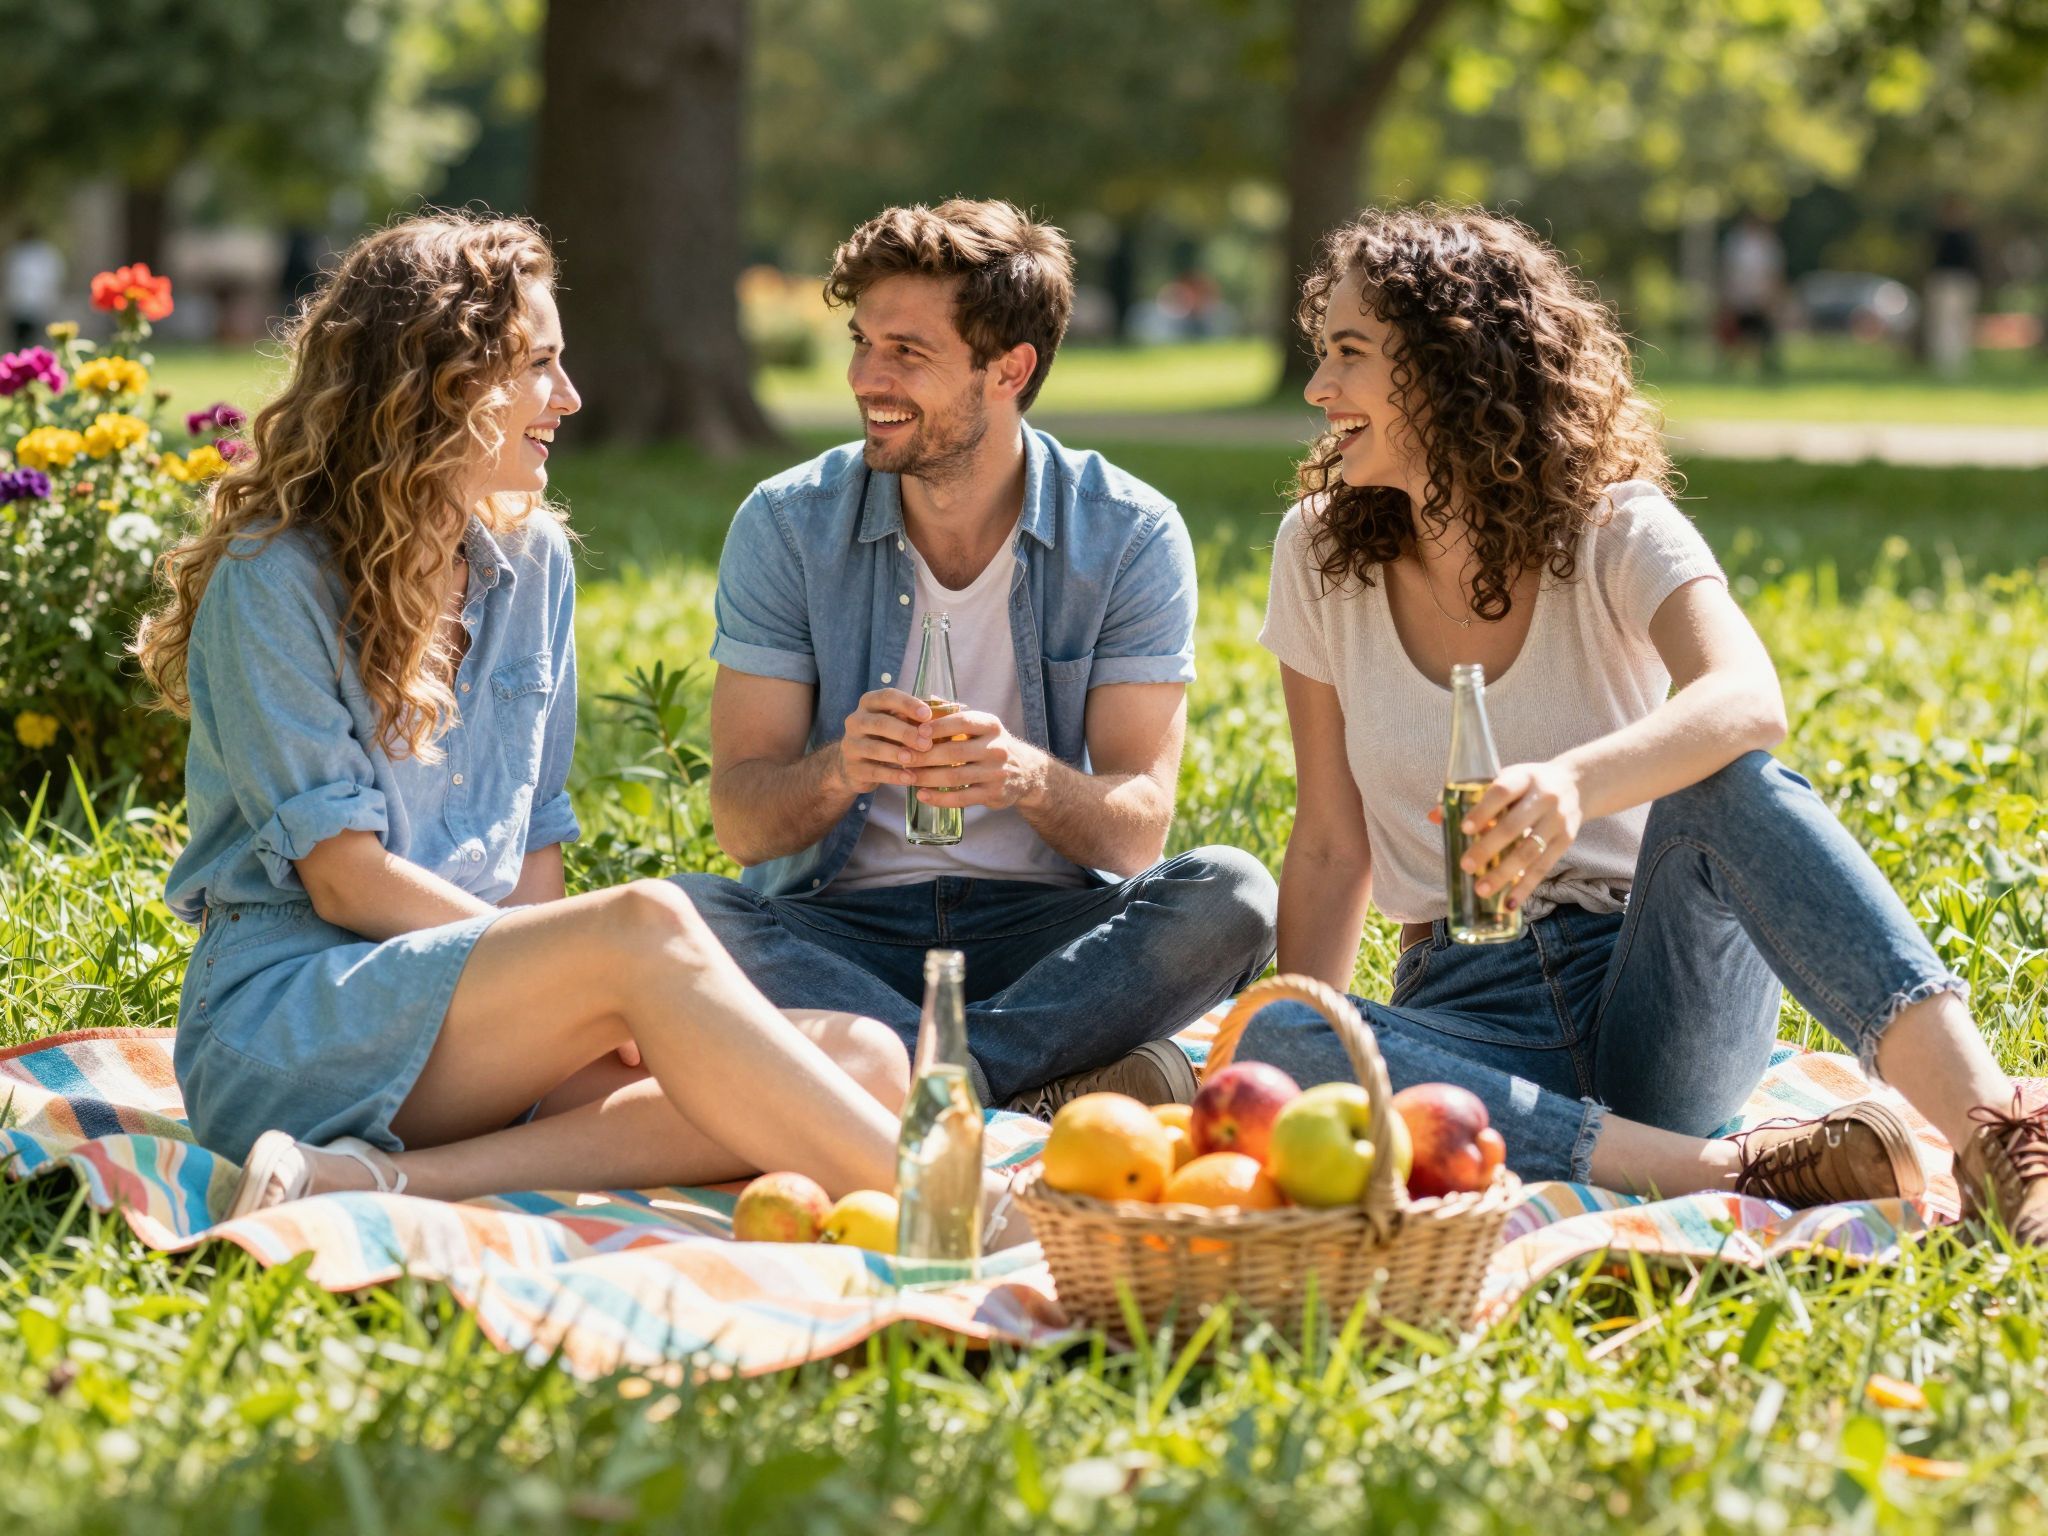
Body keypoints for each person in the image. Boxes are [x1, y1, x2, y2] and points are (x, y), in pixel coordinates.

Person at [136, 211, 1020, 1234]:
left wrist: (582, 995)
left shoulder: (530, 566)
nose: (570, 398)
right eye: (540, 366)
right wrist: (592, 972)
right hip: (293, 1025)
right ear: (444, 381)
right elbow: (344, 877)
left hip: (471, 1026)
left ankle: (378, 1181)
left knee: (862, 1058)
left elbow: (534, 841)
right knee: (642, 927)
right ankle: (968, 1212)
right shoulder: (274, 577)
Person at [1232, 205, 2046, 1239]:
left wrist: (1576, 784)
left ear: (1447, 366)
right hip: (1462, 1004)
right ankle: (1730, 1170)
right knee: (1273, 1041)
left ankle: (1993, 1132)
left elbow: (1747, 697)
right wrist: (1302, 1051)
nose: (1317, 390)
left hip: (1654, 987)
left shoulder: (1611, 524)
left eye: (1347, 354)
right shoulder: (1316, 555)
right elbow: (1328, 843)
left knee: (1726, 775)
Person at [676, 199, 1278, 1120]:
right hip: (836, 933)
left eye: (906, 353)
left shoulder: (1127, 532)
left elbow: (1137, 831)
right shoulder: (788, 523)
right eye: (861, 341)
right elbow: (743, 823)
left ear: (1010, 369)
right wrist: (842, 767)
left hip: (1046, 938)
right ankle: (1029, 1080)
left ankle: (917, 1084)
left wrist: (1025, 777)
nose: (865, 378)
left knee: (1234, 893)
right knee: (676, 920)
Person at [1719, 210, 1784, 377]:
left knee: (1762, 333)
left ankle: (1766, 364)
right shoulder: (1736, 243)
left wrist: (1770, 294)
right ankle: (1731, 365)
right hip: (1740, 296)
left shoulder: (1767, 243)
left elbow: (1773, 271)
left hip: (1760, 295)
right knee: (1738, 333)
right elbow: (1729, 269)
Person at [1925, 194, 1984, 379]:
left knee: (1959, 324)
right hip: (1945, 282)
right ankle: (1945, 364)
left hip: (1961, 282)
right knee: (1943, 324)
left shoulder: (1966, 235)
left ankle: (1957, 363)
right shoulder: (1941, 234)